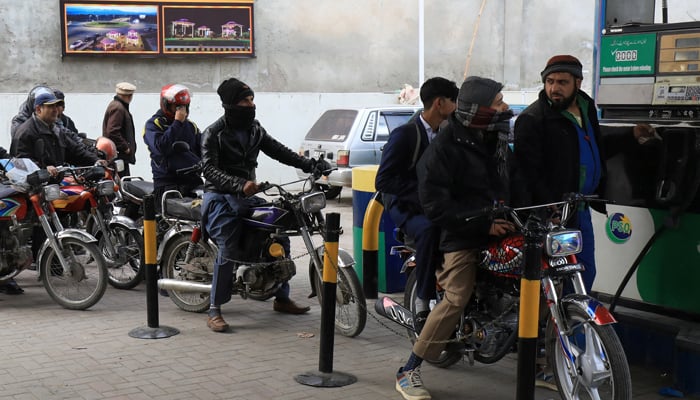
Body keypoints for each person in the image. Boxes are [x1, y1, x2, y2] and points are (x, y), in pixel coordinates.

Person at [394, 76, 516, 400]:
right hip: (461, 232)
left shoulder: (496, 139)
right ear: (479, 110)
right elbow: (436, 206)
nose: (505, 108)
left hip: (495, 225)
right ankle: (409, 370)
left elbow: (513, 184)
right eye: (499, 103)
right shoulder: (444, 147)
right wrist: (483, 226)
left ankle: (543, 362)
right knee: (457, 296)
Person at [200, 77, 328, 333]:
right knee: (228, 243)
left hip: (247, 196)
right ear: (231, 104)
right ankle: (215, 309)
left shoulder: (254, 129)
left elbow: (279, 151)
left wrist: (310, 165)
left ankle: (281, 297)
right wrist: (238, 184)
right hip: (219, 197)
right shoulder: (214, 133)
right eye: (245, 100)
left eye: (252, 99)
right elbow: (208, 169)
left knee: (279, 234)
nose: (251, 104)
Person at [513, 55, 604, 294]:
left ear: (578, 82)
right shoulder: (533, 119)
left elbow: (595, 142)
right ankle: (555, 329)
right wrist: (546, 210)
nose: (555, 88)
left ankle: (572, 328)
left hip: (580, 210)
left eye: (562, 82)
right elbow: (527, 173)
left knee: (586, 272)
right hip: (556, 216)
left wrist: (632, 135)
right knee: (560, 280)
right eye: (550, 81)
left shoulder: (586, 108)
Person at [375, 76, 458, 333]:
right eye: (454, 101)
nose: (457, 107)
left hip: (435, 202)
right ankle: (423, 299)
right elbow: (383, 180)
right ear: (440, 103)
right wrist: (422, 194)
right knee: (429, 230)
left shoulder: (447, 132)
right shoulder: (406, 135)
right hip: (406, 205)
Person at [143, 83, 203, 212]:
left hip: (192, 181)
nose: (182, 110)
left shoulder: (191, 126)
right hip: (168, 184)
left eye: (185, 106)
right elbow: (161, 147)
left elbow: (204, 148)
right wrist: (177, 123)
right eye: (177, 107)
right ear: (166, 105)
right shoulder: (154, 124)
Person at [103, 82, 137, 176]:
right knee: (122, 186)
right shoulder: (119, 108)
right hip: (118, 157)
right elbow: (112, 132)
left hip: (117, 157)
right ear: (129, 96)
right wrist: (126, 148)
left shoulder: (116, 106)